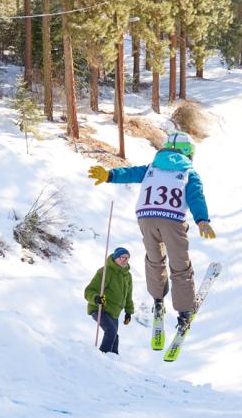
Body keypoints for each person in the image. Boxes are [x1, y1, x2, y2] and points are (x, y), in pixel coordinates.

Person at [89, 133, 214, 331]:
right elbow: (195, 196)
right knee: (179, 266)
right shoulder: (189, 172)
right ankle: (184, 312)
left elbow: (130, 173)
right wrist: (202, 219)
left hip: (146, 217)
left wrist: (109, 175)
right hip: (172, 220)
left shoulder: (151, 168)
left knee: (155, 260)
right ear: (189, 153)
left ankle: (157, 300)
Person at [84, 247, 136, 354]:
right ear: (115, 258)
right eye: (122, 257)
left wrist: (128, 312)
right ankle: (102, 356)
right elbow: (89, 290)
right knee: (111, 331)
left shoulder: (127, 276)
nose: (125, 260)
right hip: (100, 309)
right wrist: (96, 298)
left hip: (114, 312)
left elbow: (128, 296)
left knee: (115, 337)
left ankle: (114, 360)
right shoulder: (105, 271)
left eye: (127, 258)